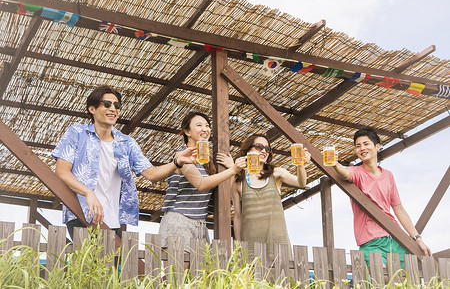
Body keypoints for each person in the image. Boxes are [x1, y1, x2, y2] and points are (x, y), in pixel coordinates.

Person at [52, 85, 195, 239]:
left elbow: (152, 174)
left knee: (109, 263)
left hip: (112, 220)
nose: (113, 109)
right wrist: (88, 192)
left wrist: (177, 162)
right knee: (89, 263)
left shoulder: (126, 143)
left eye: (117, 105)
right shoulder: (77, 133)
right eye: (107, 104)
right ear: (92, 109)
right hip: (81, 213)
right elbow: (61, 171)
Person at [332, 127, 432, 267]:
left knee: (405, 279)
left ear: (377, 146)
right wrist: (335, 164)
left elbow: (398, 209)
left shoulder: (388, 176)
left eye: (366, 144)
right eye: (358, 146)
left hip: (395, 236)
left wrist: (417, 238)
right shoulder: (356, 172)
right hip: (370, 239)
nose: (362, 148)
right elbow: (345, 174)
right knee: (380, 278)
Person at [158, 112, 246, 251]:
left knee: (200, 273)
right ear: (187, 131)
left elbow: (224, 191)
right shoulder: (181, 156)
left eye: (207, 126)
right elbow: (201, 184)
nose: (205, 129)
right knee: (177, 273)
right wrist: (233, 170)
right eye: (199, 125)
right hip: (179, 221)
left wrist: (230, 169)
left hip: (200, 224)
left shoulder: (208, 161)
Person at [231, 134, 311, 261]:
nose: (264, 151)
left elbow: (301, 183)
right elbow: (237, 216)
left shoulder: (276, 173)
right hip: (250, 244)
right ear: (247, 150)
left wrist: (300, 164)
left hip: (278, 242)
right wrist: (239, 245)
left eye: (267, 149)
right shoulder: (238, 181)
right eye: (259, 146)